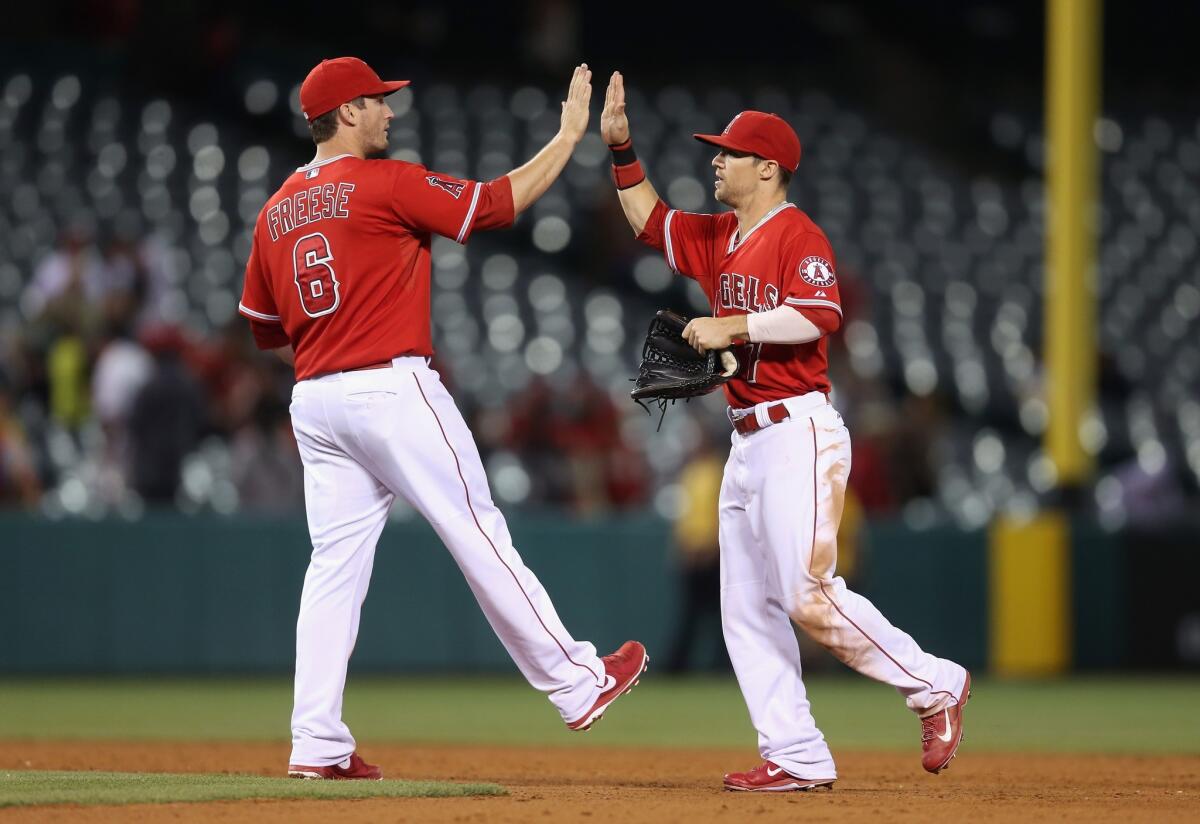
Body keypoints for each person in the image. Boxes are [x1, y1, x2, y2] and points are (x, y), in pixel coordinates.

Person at [238, 57, 647, 781]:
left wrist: (331, 345)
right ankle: (577, 682)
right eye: (378, 102)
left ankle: (316, 743)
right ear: (347, 111)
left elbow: (266, 330)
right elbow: (494, 204)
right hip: (389, 388)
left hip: (316, 401)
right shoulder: (385, 181)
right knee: (476, 527)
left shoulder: (274, 210)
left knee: (333, 569)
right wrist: (566, 137)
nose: (390, 112)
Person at [600, 71, 969, 791]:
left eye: (730, 153)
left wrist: (731, 323)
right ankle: (795, 751)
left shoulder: (797, 233)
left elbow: (819, 314)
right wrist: (620, 148)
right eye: (717, 152)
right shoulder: (717, 236)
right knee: (743, 608)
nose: (716, 161)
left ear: (767, 167)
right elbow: (646, 218)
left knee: (805, 593)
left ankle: (935, 685)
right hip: (746, 440)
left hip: (798, 428)